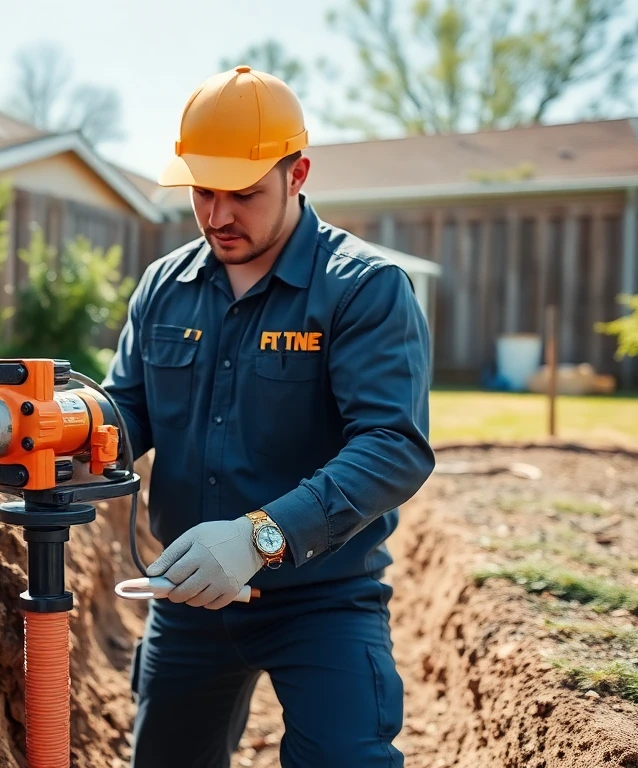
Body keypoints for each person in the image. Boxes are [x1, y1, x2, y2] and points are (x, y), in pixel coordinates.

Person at [102, 65, 435, 768]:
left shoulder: (363, 289)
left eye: (244, 194)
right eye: (203, 192)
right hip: (189, 596)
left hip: (323, 597)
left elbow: (392, 446)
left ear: (298, 173)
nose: (219, 215)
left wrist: (261, 537)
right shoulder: (165, 286)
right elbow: (127, 408)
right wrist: (63, 423)